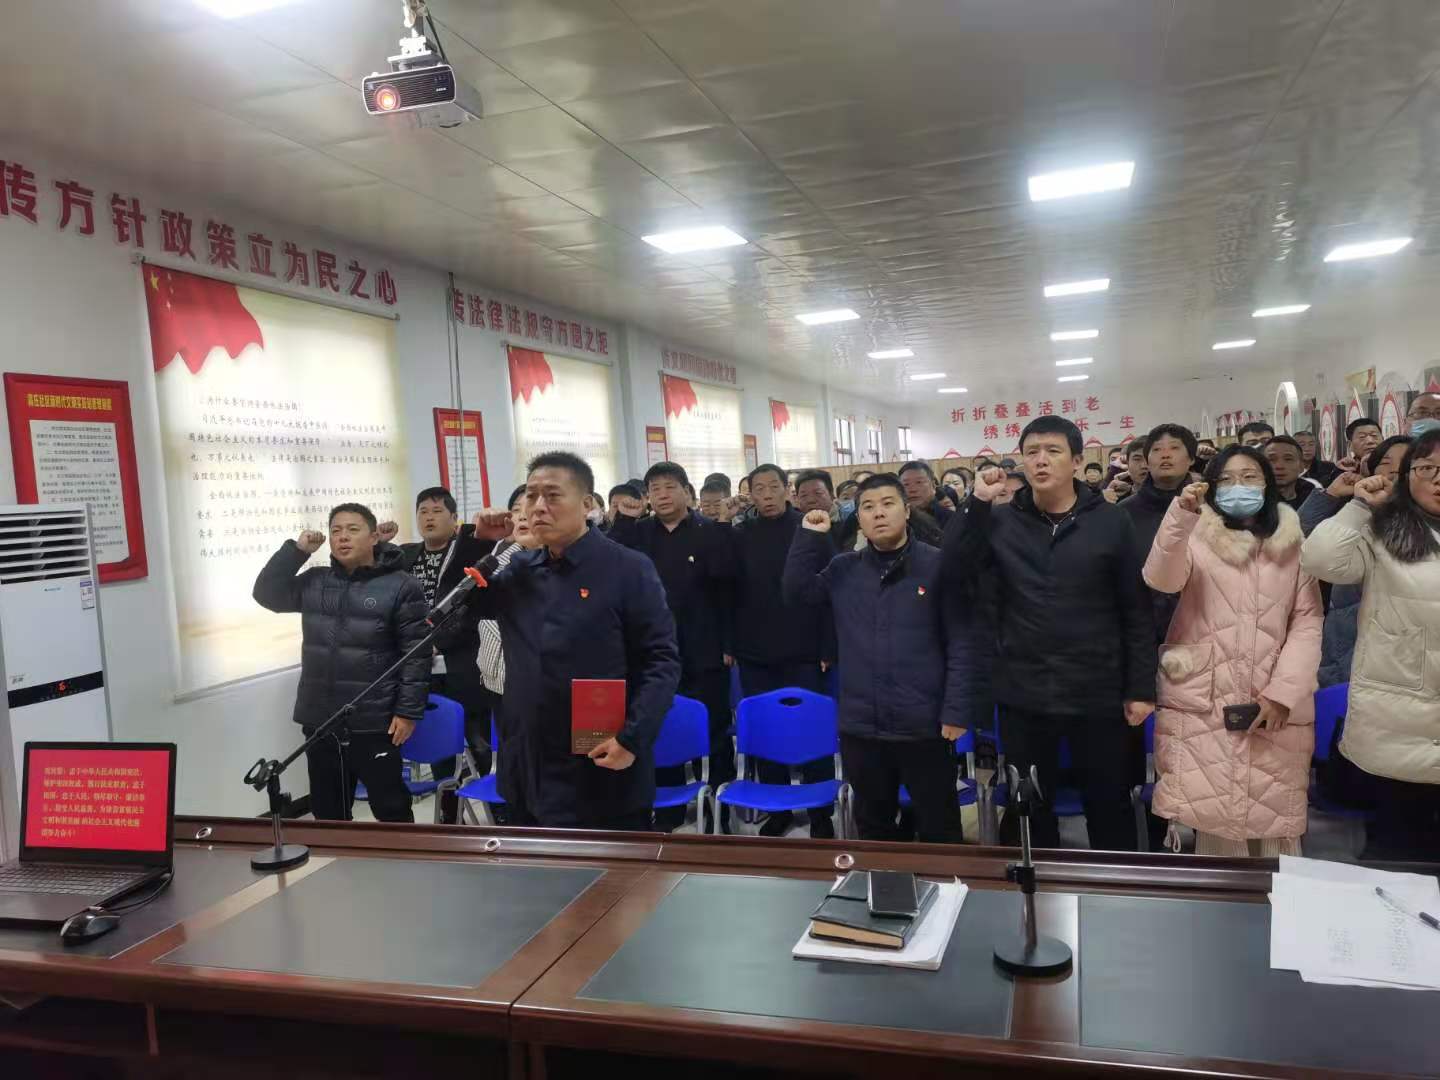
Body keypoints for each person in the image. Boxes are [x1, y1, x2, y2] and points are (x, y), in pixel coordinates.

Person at [944, 416, 1156, 850]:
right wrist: (977, 503)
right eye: (1032, 452)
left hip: (1098, 688)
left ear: (1077, 461)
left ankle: (1113, 879)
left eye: (1053, 451)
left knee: (1108, 801)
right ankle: (1037, 880)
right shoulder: (1000, 520)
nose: (1041, 460)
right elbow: (952, 568)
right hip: (1024, 690)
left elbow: (1135, 608)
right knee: (1030, 803)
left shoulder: (1111, 521)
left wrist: (1140, 687)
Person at [466, 452, 681, 830]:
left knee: (609, 867)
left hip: (601, 760)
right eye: (531, 496)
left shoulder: (627, 567)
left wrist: (632, 739)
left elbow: (660, 661)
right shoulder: (519, 569)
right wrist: (479, 545)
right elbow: (458, 616)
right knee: (534, 867)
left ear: (586, 504)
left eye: (552, 495)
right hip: (529, 766)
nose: (538, 506)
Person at [1142, 447, 1322, 855]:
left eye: (1249, 477)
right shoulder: (1195, 534)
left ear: (1267, 484)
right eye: (1225, 479)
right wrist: (1181, 516)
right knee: (1214, 821)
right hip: (1207, 698)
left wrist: (1284, 693)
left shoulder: (1293, 544)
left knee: (1274, 819)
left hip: (1274, 700)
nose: (1238, 486)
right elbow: (1161, 579)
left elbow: (1308, 622)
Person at [783, 474, 973, 843]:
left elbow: (961, 642)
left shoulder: (938, 566)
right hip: (862, 726)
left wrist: (956, 710)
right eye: (868, 507)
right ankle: (883, 881)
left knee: (939, 824)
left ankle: (945, 881)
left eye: (888, 504)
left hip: (924, 724)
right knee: (873, 826)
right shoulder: (844, 569)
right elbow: (797, 592)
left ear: (906, 510)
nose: (878, 513)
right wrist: (808, 537)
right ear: (859, 519)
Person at [1301, 429, 1440, 860]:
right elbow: (1321, 560)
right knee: (1402, 858)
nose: (1438, 479)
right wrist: (1360, 506)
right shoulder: (1384, 530)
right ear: (1406, 478)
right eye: (1427, 468)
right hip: (1400, 722)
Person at [253, 504, 429, 823]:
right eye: (336, 530)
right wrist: (297, 551)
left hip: (375, 720)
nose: (342, 537)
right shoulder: (315, 581)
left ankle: (404, 856)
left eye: (352, 529)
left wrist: (407, 712)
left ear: (374, 537)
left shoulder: (401, 586)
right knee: (328, 811)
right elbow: (267, 594)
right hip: (322, 721)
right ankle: (336, 857)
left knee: (390, 808)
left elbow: (416, 654)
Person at [608, 461, 738, 831]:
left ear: (686, 491)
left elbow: (728, 586)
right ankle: (668, 809)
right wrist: (624, 520)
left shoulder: (709, 530)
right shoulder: (638, 532)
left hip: (704, 648)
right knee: (658, 728)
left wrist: (728, 643)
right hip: (651, 652)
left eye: (669, 487)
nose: (662, 495)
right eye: (654, 489)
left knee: (713, 731)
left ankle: (718, 809)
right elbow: (607, 563)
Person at [731, 463, 836, 837]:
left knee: (811, 728)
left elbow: (831, 590)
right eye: (758, 489)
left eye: (773, 487)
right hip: (755, 651)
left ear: (786, 490)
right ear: (751, 494)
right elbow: (730, 593)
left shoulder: (810, 528)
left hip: (805, 648)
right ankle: (777, 807)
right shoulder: (740, 535)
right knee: (766, 730)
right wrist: (732, 644)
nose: (767, 495)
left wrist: (828, 645)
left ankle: (821, 811)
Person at [393, 488, 496, 821]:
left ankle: (496, 812)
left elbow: (474, 608)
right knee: (440, 748)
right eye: (423, 511)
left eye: (437, 511)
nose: (429, 517)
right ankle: (450, 818)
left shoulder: (468, 553)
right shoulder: (406, 555)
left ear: (454, 520)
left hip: (462, 664)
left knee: (478, 742)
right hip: (422, 668)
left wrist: (439, 641)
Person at [1263, 435, 1320, 513]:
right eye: (1271, 460)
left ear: (1301, 466)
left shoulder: (1314, 499)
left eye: (1288, 459)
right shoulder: (1256, 504)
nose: (1279, 466)